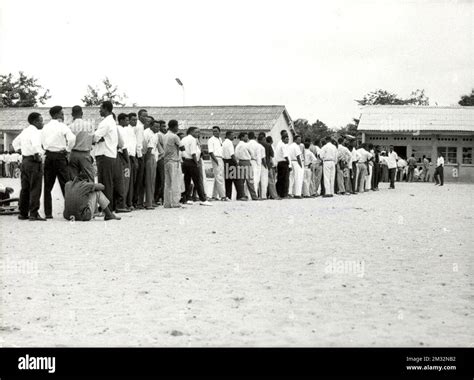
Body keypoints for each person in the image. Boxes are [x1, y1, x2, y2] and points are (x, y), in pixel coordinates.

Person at [41, 105, 76, 218]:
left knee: (47, 186)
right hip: (60, 156)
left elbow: (41, 142)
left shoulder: (45, 127)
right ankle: (70, 211)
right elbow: (72, 139)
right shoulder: (62, 126)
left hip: (49, 156)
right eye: (61, 113)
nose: (63, 116)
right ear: (56, 115)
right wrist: (68, 149)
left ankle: (48, 213)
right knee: (66, 184)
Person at [12, 112, 46, 221]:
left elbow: (14, 143)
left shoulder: (25, 131)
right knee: (35, 188)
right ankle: (34, 213)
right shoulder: (36, 132)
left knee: (25, 188)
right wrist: (38, 154)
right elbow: (36, 145)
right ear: (35, 122)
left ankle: (23, 213)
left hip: (25, 160)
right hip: (34, 161)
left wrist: (21, 150)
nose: (42, 123)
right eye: (41, 120)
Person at [93, 101, 124, 209]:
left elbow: (95, 137)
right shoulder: (111, 122)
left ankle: (107, 208)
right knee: (109, 182)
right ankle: (108, 207)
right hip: (110, 154)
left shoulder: (105, 122)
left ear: (106, 109)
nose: (99, 110)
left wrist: (95, 138)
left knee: (105, 183)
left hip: (104, 154)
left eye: (101, 108)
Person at [180, 127, 212, 206]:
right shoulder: (193, 140)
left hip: (185, 161)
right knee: (198, 181)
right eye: (196, 132)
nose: (198, 134)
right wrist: (196, 162)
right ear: (191, 132)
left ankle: (186, 198)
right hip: (192, 161)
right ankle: (203, 199)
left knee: (186, 181)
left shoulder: (183, 139)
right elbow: (193, 153)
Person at [68, 105, 95, 182]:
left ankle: (75, 193)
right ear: (82, 113)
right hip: (85, 154)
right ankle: (91, 193)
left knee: (73, 178)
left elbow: (68, 141)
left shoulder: (70, 126)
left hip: (73, 154)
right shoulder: (89, 125)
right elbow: (93, 139)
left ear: (72, 114)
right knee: (89, 176)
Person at [162, 120, 183, 208]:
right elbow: (182, 148)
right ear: (174, 126)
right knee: (175, 182)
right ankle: (175, 202)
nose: (178, 128)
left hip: (166, 160)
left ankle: (167, 202)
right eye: (177, 126)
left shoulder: (165, 136)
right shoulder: (175, 136)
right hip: (174, 161)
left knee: (167, 183)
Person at [234, 132, 258, 201]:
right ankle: (254, 196)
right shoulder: (246, 145)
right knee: (250, 180)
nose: (247, 138)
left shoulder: (238, 145)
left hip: (240, 162)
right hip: (246, 161)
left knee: (241, 180)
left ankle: (241, 195)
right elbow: (252, 153)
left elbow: (236, 154)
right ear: (242, 137)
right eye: (246, 137)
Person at [115, 113, 131, 212]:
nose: (128, 122)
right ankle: (121, 205)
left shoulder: (124, 129)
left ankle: (123, 203)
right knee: (124, 181)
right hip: (123, 156)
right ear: (121, 120)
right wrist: (127, 160)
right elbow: (123, 146)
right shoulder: (120, 129)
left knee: (124, 181)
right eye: (126, 120)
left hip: (123, 155)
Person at [208, 126, 227, 201]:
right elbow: (210, 152)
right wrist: (216, 161)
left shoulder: (220, 139)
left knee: (218, 177)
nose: (214, 132)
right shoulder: (211, 140)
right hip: (216, 158)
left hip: (220, 158)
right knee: (219, 177)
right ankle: (223, 196)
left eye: (216, 131)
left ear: (219, 131)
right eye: (213, 131)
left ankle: (214, 195)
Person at [143, 117, 158, 209]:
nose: (158, 129)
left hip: (152, 157)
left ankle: (151, 200)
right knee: (149, 180)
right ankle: (149, 202)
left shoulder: (153, 133)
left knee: (152, 180)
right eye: (156, 127)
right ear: (151, 126)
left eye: (158, 127)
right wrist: (148, 160)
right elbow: (149, 149)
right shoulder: (150, 134)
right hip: (149, 157)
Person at [133, 109, 147, 209]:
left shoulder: (141, 126)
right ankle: (136, 202)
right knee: (138, 179)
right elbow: (138, 143)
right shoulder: (138, 127)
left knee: (140, 180)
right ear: (139, 116)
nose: (146, 118)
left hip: (139, 154)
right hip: (138, 155)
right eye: (144, 116)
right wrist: (140, 156)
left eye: (147, 116)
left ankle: (137, 201)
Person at [247, 131, 263, 198]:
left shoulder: (246, 144)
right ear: (254, 137)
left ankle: (247, 194)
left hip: (248, 161)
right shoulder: (257, 145)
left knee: (248, 179)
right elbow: (259, 156)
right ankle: (254, 194)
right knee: (255, 179)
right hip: (255, 162)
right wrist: (259, 166)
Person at [154, 120, 166, 205]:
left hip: (162, 158)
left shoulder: (163, 135)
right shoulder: (159, 135)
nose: (164, 128)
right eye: (163, 126)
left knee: (160, 179)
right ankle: (158, 197)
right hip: (160, 158)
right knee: (162, 179)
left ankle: (159, 197)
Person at [222, 130, 237, 200]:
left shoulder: (224, 142)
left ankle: (228, 195)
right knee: (236, 179)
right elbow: (232, 154)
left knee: (227, 180)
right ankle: (239, 195)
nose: (233, 136)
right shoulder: (230, 143)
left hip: (225, 161)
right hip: (231, 162)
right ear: (228, 135)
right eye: (232, 135)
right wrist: (236, 163)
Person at [275, 133, 290, 198]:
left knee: (279, 179)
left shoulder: (278, 145)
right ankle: (284, 194)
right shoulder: (283, 145)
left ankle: (279, 193)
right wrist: (288, 161)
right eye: (286, 139)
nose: (288, 140)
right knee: (285, 179)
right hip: (284, 163)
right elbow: (285, 155)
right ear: (283, 139)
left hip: (279, 163)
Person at [257, 132, 270, 199]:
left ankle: (257, 195)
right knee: (264, 180)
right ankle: (263, 195)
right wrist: (266, 166)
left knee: (256, 181)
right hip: (262, 165)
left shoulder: (256, 146)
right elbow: (263, 158)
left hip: (256, 164)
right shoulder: (264, 147)